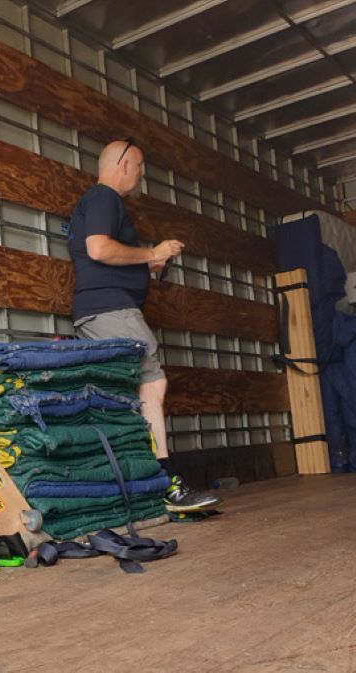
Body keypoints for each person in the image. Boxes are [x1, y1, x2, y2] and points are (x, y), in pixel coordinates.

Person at [67, 138, 220, 513]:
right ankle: (166, 483)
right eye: (138, 166)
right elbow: (99, 249)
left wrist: (146, 265)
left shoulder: (97, 202)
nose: (140, 174)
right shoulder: (104, 198)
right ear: (122, 164)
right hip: (111, 309)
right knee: (153, 383)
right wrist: (152, 252)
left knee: (127, 398)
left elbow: (105, 254)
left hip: (101, 310)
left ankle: (141, 485)